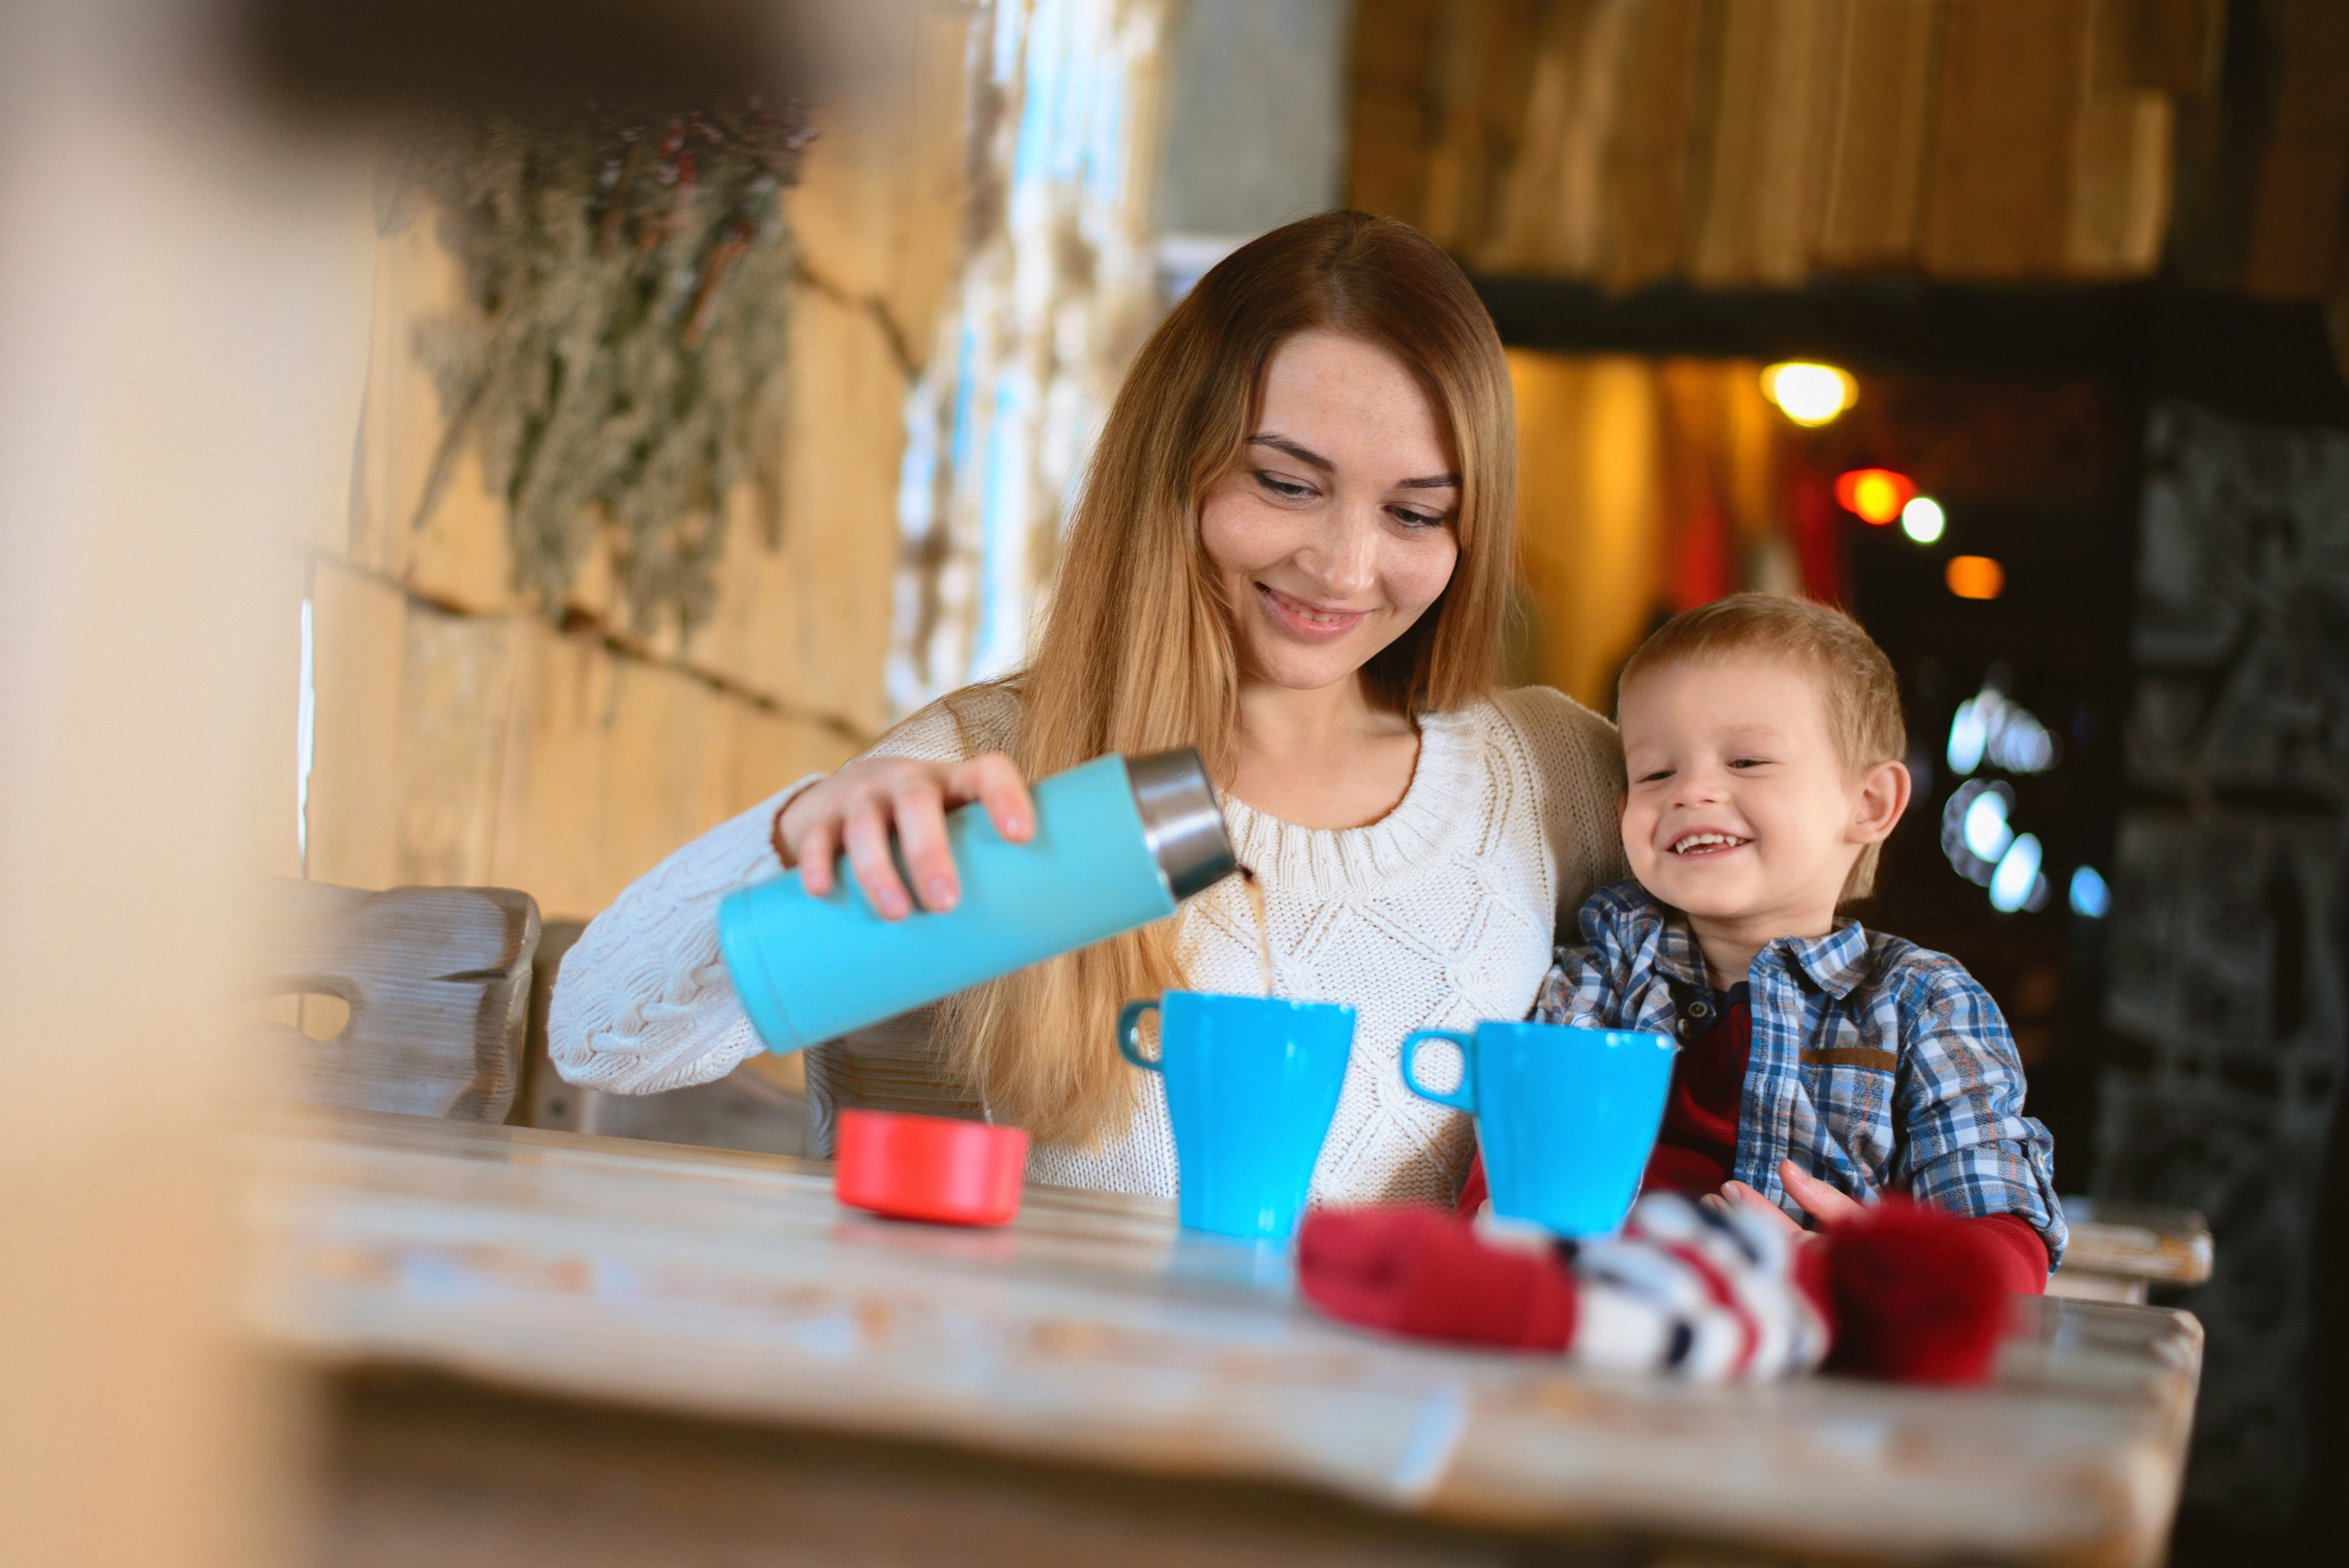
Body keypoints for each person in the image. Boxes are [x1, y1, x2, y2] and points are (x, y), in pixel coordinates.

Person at [549, 210, 1629, 1206]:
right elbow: (600, 1041)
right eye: (1286, 485)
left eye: (1414, 512)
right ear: (1177, 464)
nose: (1345, 568)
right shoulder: (1004, 770)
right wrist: (796, 831)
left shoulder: (1553, 773)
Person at [1505, 594, 2065, 1286]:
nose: (1692, 791)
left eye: (1746, 761)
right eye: (1656, 771)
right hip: (1607, 1345)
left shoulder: (1923, 1004)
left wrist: (1885, 1263)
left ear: (1869, 804)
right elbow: (1511, 1171)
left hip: (1823, 1367)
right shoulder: (1605, 970)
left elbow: (2005, 1240)